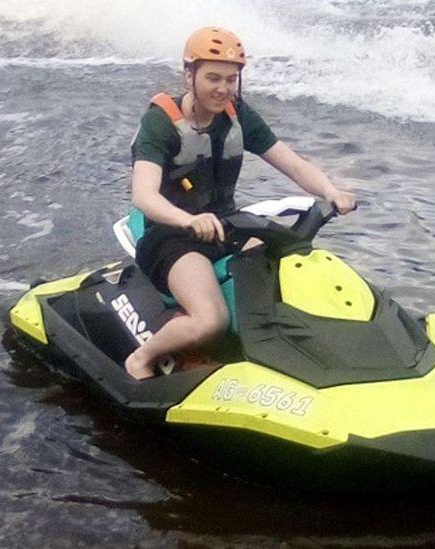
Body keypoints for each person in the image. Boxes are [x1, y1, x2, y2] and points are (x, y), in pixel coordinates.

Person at [125, 26, 356, 380]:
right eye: (213, 78)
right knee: (211, 320)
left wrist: (330, 191)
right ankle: (141, 358)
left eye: (231, 80)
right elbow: (143, 195)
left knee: (289, 265)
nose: (222, 89)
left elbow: (291, 163)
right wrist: (188, 220)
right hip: (170, 236)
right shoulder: (161, 123)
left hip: (227, 225)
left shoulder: (237, 114)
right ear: (189, 75)